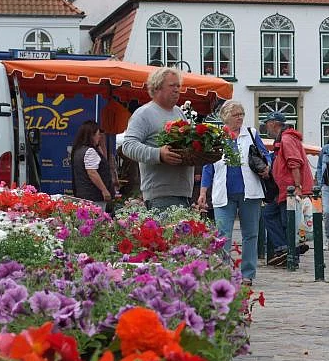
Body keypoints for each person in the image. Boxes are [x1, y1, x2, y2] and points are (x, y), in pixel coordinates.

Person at [198, 101, 270, 286]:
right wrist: (203, 192)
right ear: (225, 117)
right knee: (223, 235)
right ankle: (223, 273)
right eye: (235, 114)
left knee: (250, 234)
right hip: (223, 192)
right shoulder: (216, 136)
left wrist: (267, 167)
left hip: (250, 192)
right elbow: (208, 166)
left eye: (241, 114)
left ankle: (248, 274)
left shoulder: (251, 133)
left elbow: (265, 155)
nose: (240, 118)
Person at [121, 67, 192, 211]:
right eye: (172, 85)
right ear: (157, 87)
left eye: (178, 86)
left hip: (183, 193)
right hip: (160, 194)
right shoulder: (144, 113)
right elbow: (128, 146)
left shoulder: (179, 112)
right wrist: (158, 154)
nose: (177, 90)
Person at [261, 112, 312, 266]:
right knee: (270, 214)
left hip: (289, 189)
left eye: (267, 123)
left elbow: (294, 162)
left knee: (287, 221)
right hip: (283, 189)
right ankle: (285, 249)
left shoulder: (286, 138)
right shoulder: (284, 138)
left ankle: (291, 254)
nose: (266, 127)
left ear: (274, 123)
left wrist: (297, 186)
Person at [71, 120, 114, 210]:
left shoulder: (78, 150)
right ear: (91, 135)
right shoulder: (90, 151)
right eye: (98, 134)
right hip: (94, 196)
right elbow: (92, 172)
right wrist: (104, 190)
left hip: (83, 194)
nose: (99, 137)